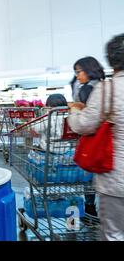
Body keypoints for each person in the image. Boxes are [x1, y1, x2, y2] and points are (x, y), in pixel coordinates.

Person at [68, 34, 124, 241]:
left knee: (114, 234)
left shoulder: (107, 89)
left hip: (116, 177)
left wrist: (74, 110)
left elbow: (84, 125)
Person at [71, 57, 105, 218]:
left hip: (93, 139)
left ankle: (90, 205)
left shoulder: (87, 89)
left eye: (79, 72)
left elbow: (84, 122)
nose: (77, 76)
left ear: (88, 70)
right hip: (105, 139)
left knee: (88, 174)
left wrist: (74, 109)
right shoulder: (104, 86)